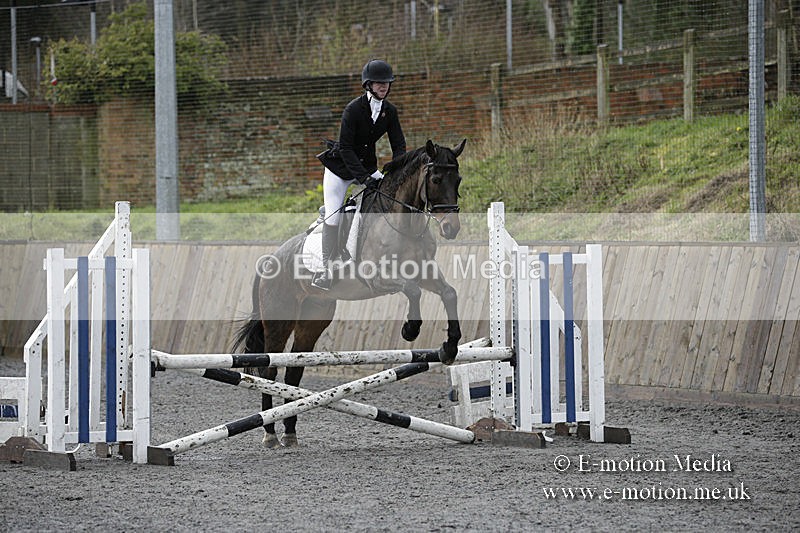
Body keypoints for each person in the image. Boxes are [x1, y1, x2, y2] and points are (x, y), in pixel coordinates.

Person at [313, 59, 407, 290]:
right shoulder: (353, 109)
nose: (384, 86)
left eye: (387, 82)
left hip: (366, 167)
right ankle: (326, 269)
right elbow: (345, 148)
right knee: (334, 216)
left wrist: (398, 171)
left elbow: (399, 145)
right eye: (378, 82)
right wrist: (364, 177)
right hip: (340, 170)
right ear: (368, 84)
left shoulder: (389, 111)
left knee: (382, 200)